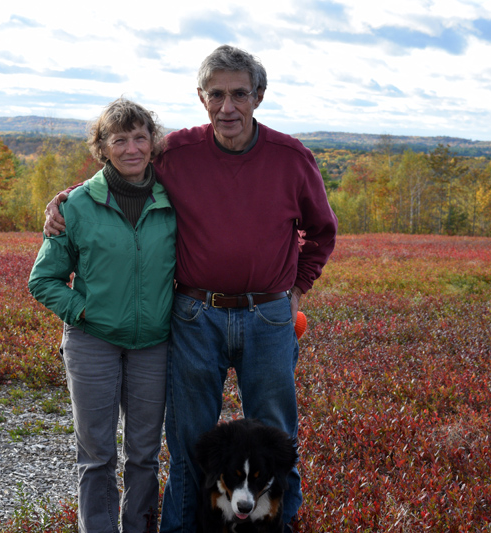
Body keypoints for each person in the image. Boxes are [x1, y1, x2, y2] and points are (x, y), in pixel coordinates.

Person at [45, 45, 338, 532]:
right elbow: (122, 168)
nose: (228, 107)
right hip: (194, 315)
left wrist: (298, 289)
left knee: (279, 439)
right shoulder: (176, 153)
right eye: (217, 95)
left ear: (258, 97)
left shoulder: (291, 158)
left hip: (268, 316)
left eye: (239, 94)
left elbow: (321, 232)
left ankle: (279, 526)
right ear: (201, 97)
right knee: (187, 443)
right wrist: (66, 199)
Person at [29, 98, 176, 533]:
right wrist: (84, 311)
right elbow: (44, 280)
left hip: (153, 344)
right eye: (119, 140)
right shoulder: (75, 206)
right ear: (103, 148)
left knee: (145, 456)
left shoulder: (173, 201)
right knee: (96, 456)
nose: (131, 148)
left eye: (140, 137)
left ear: (152, 142)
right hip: (92, 343)